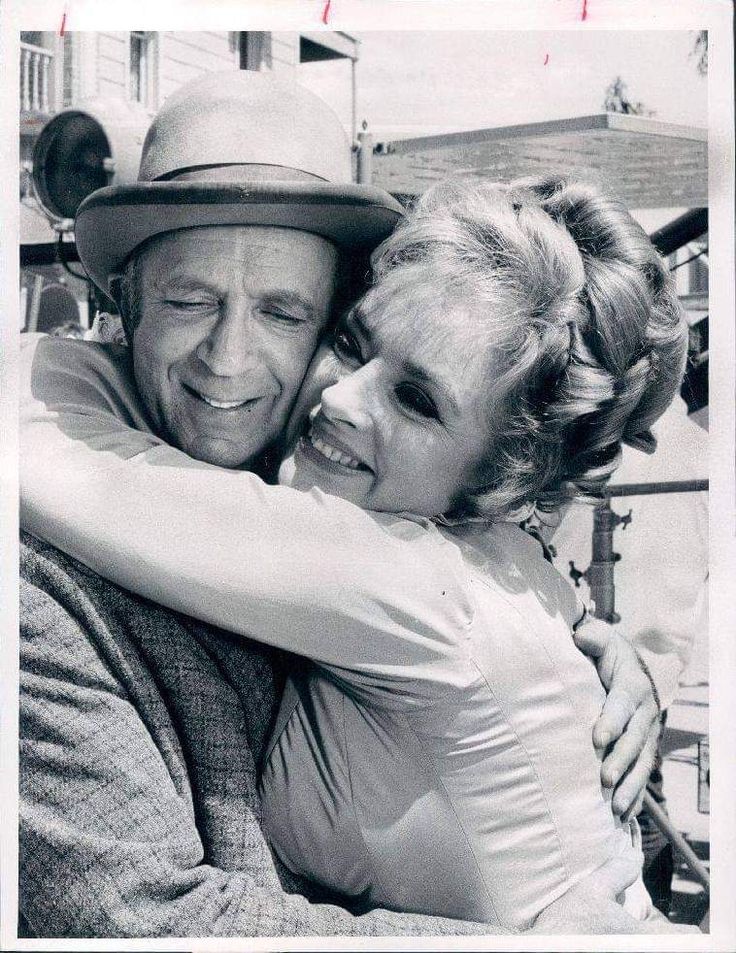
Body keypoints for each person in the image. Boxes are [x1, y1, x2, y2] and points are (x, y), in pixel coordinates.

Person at [21, 171, 689, 932]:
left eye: (416, 399)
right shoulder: (475, 558)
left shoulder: (382, 566)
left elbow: (50, 463)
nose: (341, 398)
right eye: (351, 343)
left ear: (496, 478)